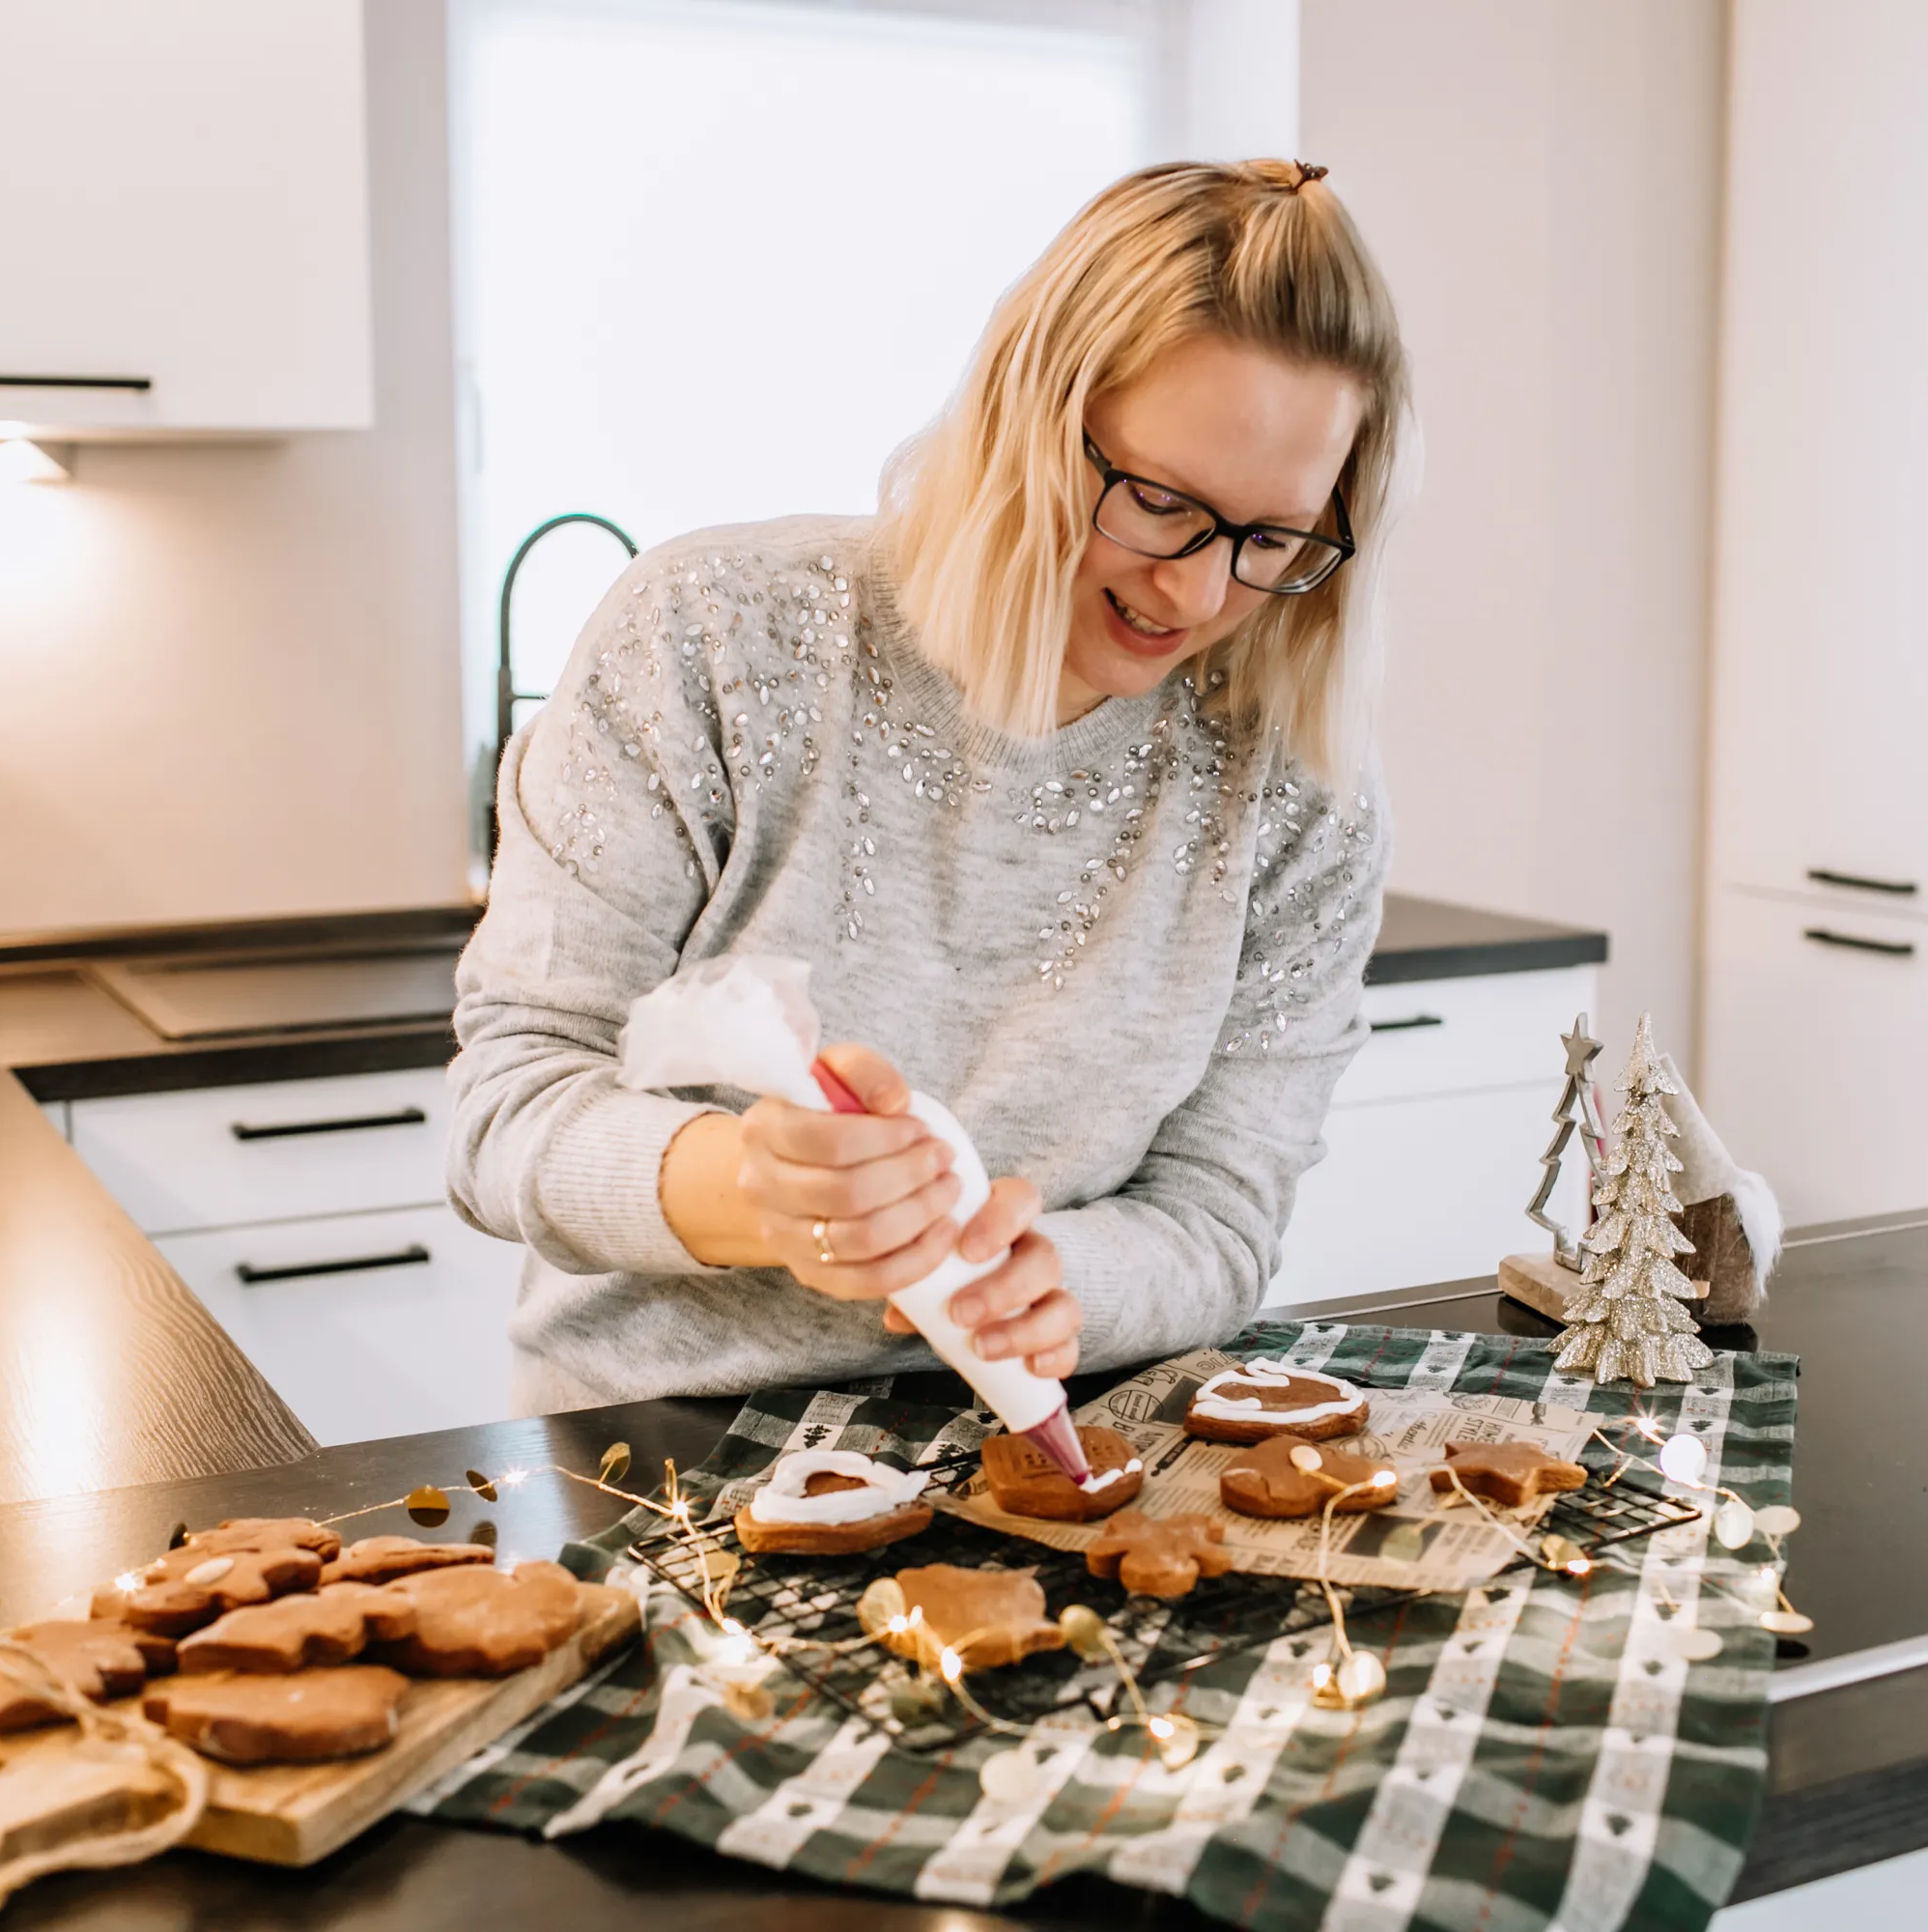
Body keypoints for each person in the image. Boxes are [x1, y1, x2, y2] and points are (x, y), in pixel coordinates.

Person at [448, 158, 1409, 1417]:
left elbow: (1222, 1212)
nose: (1198, 591)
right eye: (1160, 503)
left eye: (1270, 538)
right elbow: (510, 1107)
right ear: (1024, 415)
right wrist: (753, 1189)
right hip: (657, 1448)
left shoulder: (1297, 793)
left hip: (1060, 1450)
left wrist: (1061, 1279)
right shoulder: (714, 637)